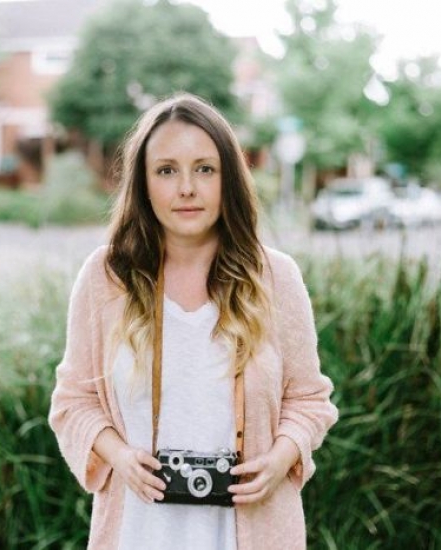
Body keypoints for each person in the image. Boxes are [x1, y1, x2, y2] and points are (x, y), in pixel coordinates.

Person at [49, 92, 338, 550]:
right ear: (143, 184)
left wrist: (279, 459)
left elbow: (309, 400)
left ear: (229, 179)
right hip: (138, 534)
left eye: (205, 169)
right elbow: (73, 401)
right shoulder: (107, 277)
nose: (187, 188)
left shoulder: (275, 278)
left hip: (248, 533)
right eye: (166, 171)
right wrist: (120, 457)